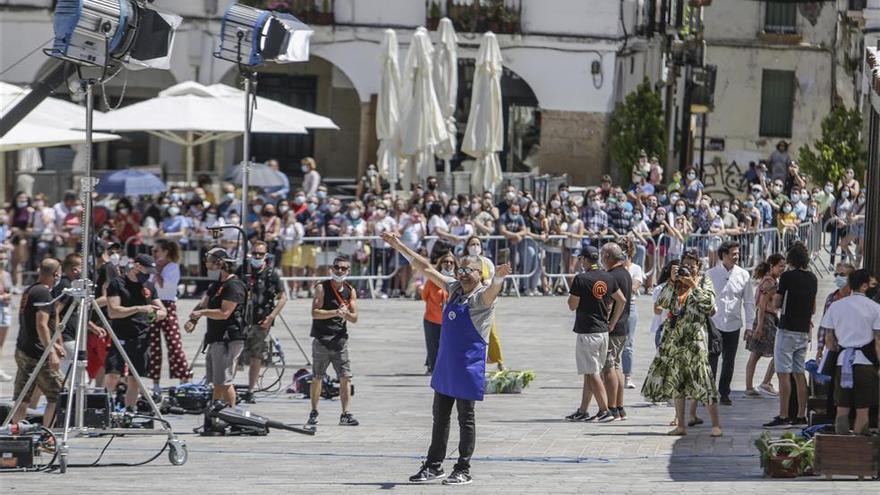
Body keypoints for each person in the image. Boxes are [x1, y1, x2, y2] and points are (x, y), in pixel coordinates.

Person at [383, 232, 512, 486]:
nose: (462, 273)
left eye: (469, 270)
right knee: (439, 416)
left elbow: (493, 291)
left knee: (466, 418)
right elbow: (427, 268)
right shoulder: (453, 289)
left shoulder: (481, 297)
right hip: (445, 366)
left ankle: (463, 467)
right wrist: (399, 245)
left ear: (480, 275)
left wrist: (498, 277)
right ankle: (433, 465)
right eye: (461, 269)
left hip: (467, 367)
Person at [642, 251, 723, 437]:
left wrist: (692, 284)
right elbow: (661, 304)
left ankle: (716, 425)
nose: (688, 269)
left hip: (696, 339)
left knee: (704, 380)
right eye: (685, 265)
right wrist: (671, 281)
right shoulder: (675, 283)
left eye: (692, 266)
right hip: (675, 339)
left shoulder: (703, 282)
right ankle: (680, 424)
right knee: (677, 382)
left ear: (699, 267)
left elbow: (709, 305)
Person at [565, 246, 627, 423]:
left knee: (592, 372)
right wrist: (612, 322)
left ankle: (604, 409)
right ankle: (583, 410)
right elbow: (621, 300)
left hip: (588, 331)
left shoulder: (581, 279)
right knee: (589, 371)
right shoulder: (608, 276)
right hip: (602, 331)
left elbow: (572, 305)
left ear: (584, 260)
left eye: (580, 259)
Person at [819, 269, 880, 435]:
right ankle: (859, 448)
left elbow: (829, 340)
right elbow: (877, 341)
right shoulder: (875, 308)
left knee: (842, 409)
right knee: (862, 411)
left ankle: (841, 445)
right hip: (865, 364)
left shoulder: (836, 306)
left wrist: (838, 350)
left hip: (842, 362)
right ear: (865, 286)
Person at [763, 242, 817, 428]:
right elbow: (813, 306)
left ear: (792, 259)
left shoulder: (786, 277)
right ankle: (801, 415)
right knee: (799, 374)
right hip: (803, 330)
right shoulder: (813, 278)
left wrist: (774, 293)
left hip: (787, 330)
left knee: (783, 374)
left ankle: (784, 414)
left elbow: (777, 303)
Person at [184, 247, 247, 405]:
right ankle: (214, 413)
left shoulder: (234, 286)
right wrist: (193, 320)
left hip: (229, 339)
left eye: (210, 264)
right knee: (217, 381)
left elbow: (225, 312)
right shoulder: (217, 284)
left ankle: (232, 413)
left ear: (220, 264)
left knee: (225, 381)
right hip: (215, 337)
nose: (208, 267)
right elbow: (203, 302)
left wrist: (202, 313)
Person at [105, 254, 167, 409]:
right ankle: (104, 407)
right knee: (113, 374)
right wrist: (140, 308)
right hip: (120, 334)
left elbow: (162, 310)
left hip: (141, 336)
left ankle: (129, 411)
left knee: (135, 378)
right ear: (137, 266)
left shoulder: (148, 286)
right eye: (146, 270)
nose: (147, 275)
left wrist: (158, 314)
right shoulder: (118, 284)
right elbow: (113, 312)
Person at [10, 258, 64, 423]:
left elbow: (31, 324)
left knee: (23, 397)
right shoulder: (43, 293)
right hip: (38, 354)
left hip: (24, 349)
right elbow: (41, 324)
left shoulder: (30, 290)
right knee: (58, 395)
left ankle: (15, 433)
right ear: (55, 274)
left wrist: (54, 344)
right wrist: (51, 352)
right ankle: (48, 435)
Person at [307, 255, 359, 426]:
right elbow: (315, 312)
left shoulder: (350, 290)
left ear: (348, 271)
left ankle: (346, 413)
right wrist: (335, 312)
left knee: (345, 377)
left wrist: (346, 314)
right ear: (332, 268)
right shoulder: (322, 287)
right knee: (317, 377)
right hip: (322, 339)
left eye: (344, 268)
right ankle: (314, 411)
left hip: (340, 340)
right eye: (337, 267)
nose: (340, 271)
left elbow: (354, 318)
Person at [705, 241, 755, 405]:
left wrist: (749, 326)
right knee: (712, 358)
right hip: (714, 323)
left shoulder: (743, 275)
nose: (736, 256)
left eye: (738, 253)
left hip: (734, 324)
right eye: (733, 254)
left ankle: (724, 392)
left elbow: (749, 302)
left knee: (729, 360)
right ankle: (710, 391)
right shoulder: (710, 274)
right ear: (724, 255)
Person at [242, 240, 288, 393]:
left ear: (265, 255)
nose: (257, 256)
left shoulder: (271, 274)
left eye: (260, 254)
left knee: (258, 356)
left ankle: (250, 389)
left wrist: (271, 317)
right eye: (254, 253)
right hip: (241, 321)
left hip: (261, 321)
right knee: (234, 355)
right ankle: (227, 388)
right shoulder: (242, 270)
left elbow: (283, 297)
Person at [147, 240, 192, 393]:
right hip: (153, 304)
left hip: (168, 304)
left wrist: (157, 271)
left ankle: (183, 377)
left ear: (165, 252)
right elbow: (148, 286)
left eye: (156, 251)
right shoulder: (150, 267)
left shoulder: (173, 267)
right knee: (153, 345)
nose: (154, 254)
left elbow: (166, 286)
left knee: (174, 342)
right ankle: (155, 382)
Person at [744, 254, 785, 397]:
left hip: (766, 319)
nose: (782, 269)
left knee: (755, 354)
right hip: (766, 319)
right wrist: (760, 326)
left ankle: (751, 387)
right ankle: (765, 382)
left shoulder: (771, 280)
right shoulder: (769, 282)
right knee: (778, 353)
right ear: (772, 266)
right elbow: (762, 305)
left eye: (783, 266)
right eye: (780, 266)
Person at [464, 235, 504, 371]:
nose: (475, 247)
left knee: (491, 332)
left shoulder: (487, 262)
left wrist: (490, 282)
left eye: (477, 244)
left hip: (485, 300)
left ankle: (499, 361)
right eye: (472, 244)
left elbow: (494, 280)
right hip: (468, 301)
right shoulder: (464, 261)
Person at [602, 242, 631, 421]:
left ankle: (612, 407)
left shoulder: (611, 276)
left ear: (607, 257)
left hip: (614, 327)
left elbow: (612, 302)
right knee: (617, 365)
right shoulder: (625, 273)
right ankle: (620, 407)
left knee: (608, 367)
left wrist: (610, 322)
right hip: (623, 326)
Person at [422, 251, 454, 374]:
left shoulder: (457, 280)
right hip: (432, 318)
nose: (448, 264)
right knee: (433, 346)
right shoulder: (432, 280)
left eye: (451, 262)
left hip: (450, 320)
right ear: (441, 264)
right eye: (446, 262)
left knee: (448, 347)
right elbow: (425, 296)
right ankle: (433, 368)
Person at [618, 237, 644, 390]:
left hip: (630, 307)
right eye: (620, 249)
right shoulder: (611, 268)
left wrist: (624, 270)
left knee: (628, 344)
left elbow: (634, 288)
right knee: (611, 343)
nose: (623, 253)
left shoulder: (636, 268)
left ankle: (627, 376)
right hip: (613, 307)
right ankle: (609, 373)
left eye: (625, 249)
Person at [52, 253, 82, 376]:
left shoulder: (70, 284)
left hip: (71, 335)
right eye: (82, 267)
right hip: (66, 336)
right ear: (74, 269)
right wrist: (58, 336)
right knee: (75, 373)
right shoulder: (65, 285)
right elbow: (56, 311)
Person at [0, 251, 12, 382]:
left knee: (1, 344)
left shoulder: (6, 275)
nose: (2, 259)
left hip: (5, 310)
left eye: (3, 256)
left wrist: (6, 296)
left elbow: (9, 290)